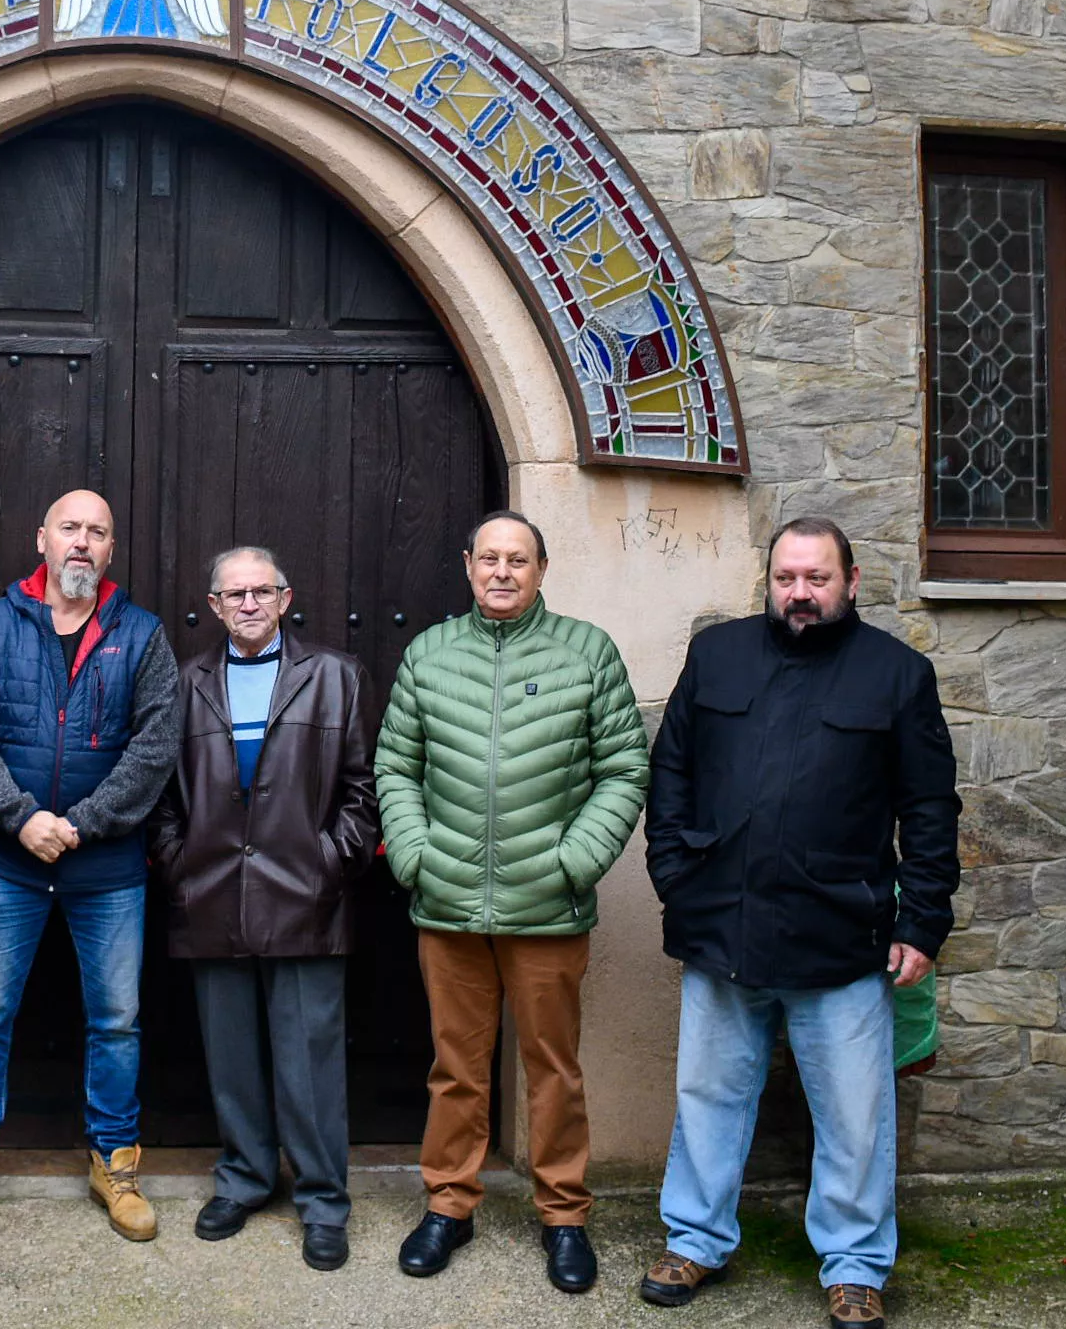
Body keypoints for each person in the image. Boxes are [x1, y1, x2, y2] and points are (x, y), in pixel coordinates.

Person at [640, 517, 961, 1329]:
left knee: (855, 1114)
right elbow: (670, 769)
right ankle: (696, 1240)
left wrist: (921, 923)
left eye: (817, 578)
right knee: (709, 1096)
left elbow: (928, 812)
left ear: (851, 582)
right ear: (769, 581)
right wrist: (675, 876)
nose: (801, 593)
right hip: (723, 926)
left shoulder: (897, 674)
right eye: (787, 578)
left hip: (841, 938)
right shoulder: (719, 656)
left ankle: (855, 1265)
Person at [376, 509, 649, 1295]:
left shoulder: (586, 652)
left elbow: (625, 768)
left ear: (541, 570)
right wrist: (419, 858)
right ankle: (448, 1205)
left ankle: (564, 1216)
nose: (502, 572)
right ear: (468, 566)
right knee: (456, 1069)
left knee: (553, 1069)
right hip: (448, 904)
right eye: (489, 558)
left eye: (518, 560)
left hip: (547, 908)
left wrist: (576, 861)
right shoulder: (430, 653)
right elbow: (395, 765)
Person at [0, 489, 180, 1245]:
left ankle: (116, 1162)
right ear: (42, 538)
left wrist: (82, 825)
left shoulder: (142, 634)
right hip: (7, 862)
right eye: (70, 528)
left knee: (117, 1021)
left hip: (107, 870)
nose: (82, 542)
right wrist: (20, 817)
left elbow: (156, 745)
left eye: (97, 531)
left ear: (110, 549)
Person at [147, 545, 377, 1273]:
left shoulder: (336, 678)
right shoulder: (185, 685)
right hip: (211, 894)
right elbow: (161, 800)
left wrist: (328, 861)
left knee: (310, 1060)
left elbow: (363, 793)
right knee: (232, 1058)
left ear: (285, 598)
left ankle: (321, 1201)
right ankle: (244, 1180)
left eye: (261, 591)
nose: (248, 603)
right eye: (233, 594)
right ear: (213, 607)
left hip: (305, 898)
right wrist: (178, 862)